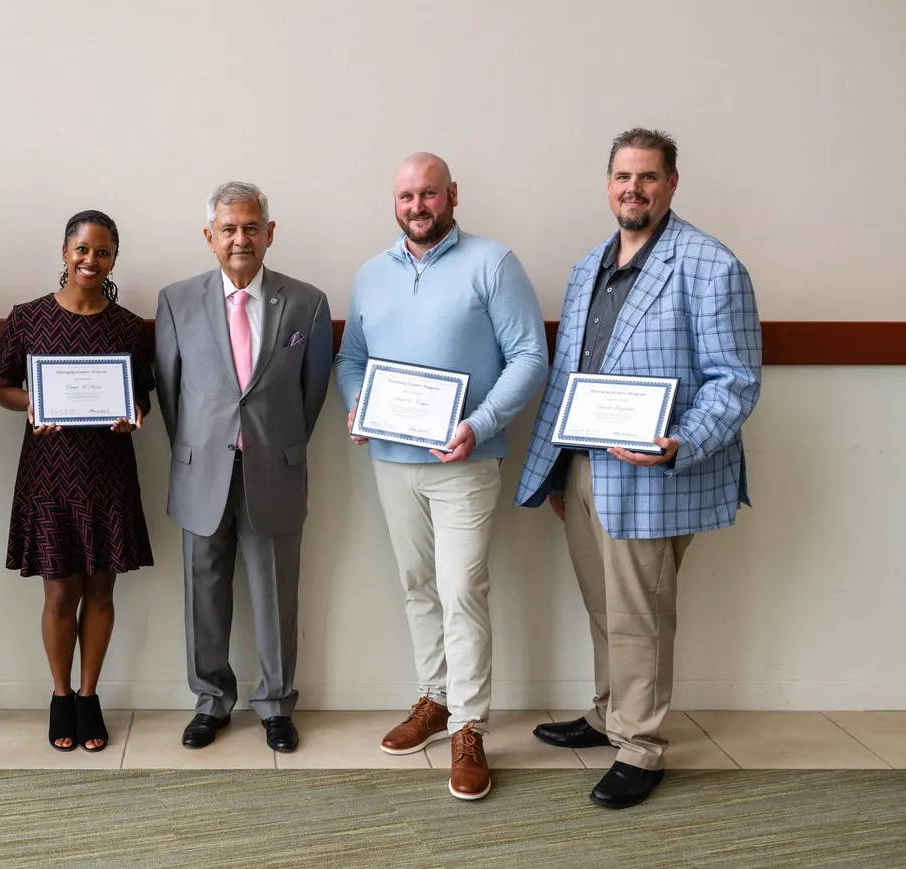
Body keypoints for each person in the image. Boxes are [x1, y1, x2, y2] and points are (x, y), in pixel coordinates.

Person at [515, 128, 762, 809]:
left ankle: (642, 745)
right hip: (586, 467)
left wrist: (680, 440)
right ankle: (606, 714)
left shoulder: (712, 265)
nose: (634, 188)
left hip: (657, 472)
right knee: (606, 607)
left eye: (648, 177)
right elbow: (570, 375)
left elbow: (736, 381)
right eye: (623, 176)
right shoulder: (588, 265)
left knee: (641, 615)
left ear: (672, 184)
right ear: (608, 184)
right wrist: (555, 469)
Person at [335, 153, 548, 801]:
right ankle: (433, 697)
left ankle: (469, 725)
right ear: (393, 202)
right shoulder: (371, 274)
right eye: (406, 196)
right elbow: (352, 359)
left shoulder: (494, 263)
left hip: (466, 462)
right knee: (417, 586)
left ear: (452, 194)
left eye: (429, 193)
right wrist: (356, 404)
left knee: (461, 591)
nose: (418, 206)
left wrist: (478, 424)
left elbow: (530, 357)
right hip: (392, 463)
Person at [154, 181, 332, 753]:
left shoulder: (307, 303)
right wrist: (202, 448)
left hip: (273, 471)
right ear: (209, 237)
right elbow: (169, 392)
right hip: (201, 471)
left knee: (276, 593)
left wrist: (272, 443)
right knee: (203, 592)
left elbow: (311, 394)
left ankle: (277, 705)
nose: (240, 238)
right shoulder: (176, 301)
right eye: (228, 228)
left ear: (269, 233)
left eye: (251, 227)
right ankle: (211, 701)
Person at [0, 210, 154, 753]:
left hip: (107, 469)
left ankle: (90, 696)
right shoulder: (28, 317)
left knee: (102, 588)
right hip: (49, 469)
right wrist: (35, 403)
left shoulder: (129, 326)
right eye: (82, 249)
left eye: (102, 251)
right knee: (60, 590)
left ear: (113, 258)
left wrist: (132, 413)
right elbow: (3, 389)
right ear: (65, 252)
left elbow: (144, 399)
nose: (91, 260)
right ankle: (60, 695)